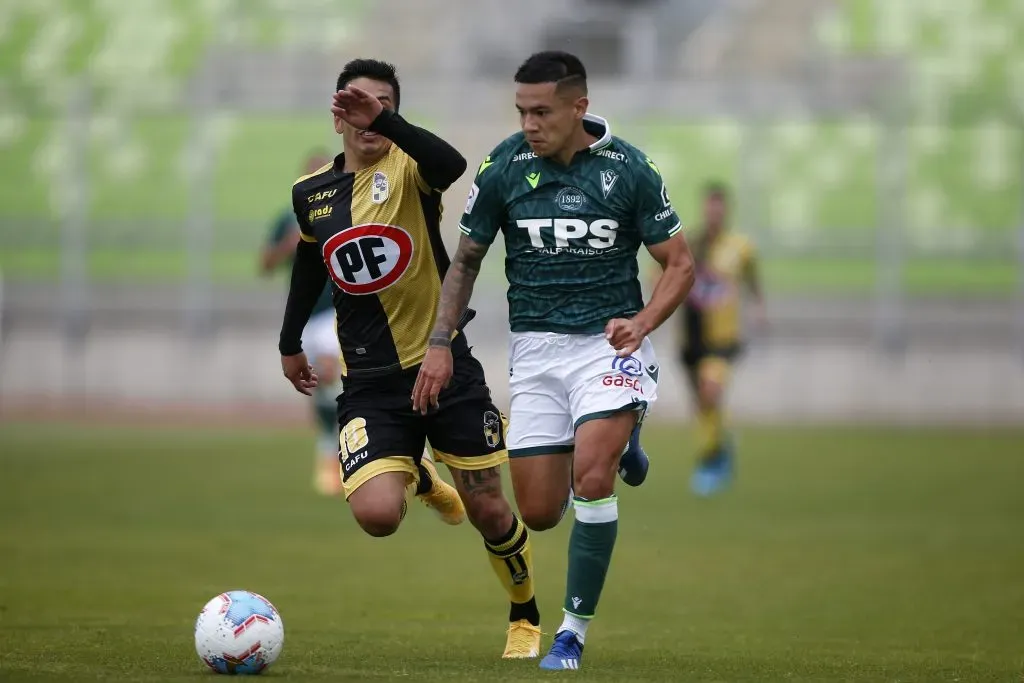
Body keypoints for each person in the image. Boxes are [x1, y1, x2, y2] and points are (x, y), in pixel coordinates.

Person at [413, 51, 695, 671]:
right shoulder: (503, 167)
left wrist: (644, 321)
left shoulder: (630, 169)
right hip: (536, 349)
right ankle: (613, 436)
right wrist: (439, 340)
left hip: (607, 343)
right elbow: (464, 263)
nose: (529, 123)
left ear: (579, 107)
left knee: (592, 480)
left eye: (541, 111)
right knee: (538, 513)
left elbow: (680, 262)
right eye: (521, 111)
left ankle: (572, 631)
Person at [277, 58, 542, 659]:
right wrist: (290, 341)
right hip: (370, 377)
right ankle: (418, 473)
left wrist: (390, 124)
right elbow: (308, 263)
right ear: (337, 112)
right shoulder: (311, 193)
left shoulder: (412, 169)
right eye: (358, 104)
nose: (369, 115)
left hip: (442, 362)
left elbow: (451, 164)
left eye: (383, 105)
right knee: (376, 515)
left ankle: (524, 615)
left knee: (489, 507)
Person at [260, 150, 344, 496]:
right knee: (314, 385)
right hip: (302, 318)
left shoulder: (344, 213)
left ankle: (338, 455)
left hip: (335, 313)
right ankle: (329, 450)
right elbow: (265, 265)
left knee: (327, 374)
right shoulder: (287, 218)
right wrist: (287, 246)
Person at [678, 182, 765, 497]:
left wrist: (759, 306)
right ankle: (721, 446)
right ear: (704, 208)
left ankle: (709, 461)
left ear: (726, 210)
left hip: (724, 337)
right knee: (703, 405)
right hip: (691, 336)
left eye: (719, 206)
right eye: (709, 206)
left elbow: (753, 277)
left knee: (710, 390)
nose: (714, 212)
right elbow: (664, 274)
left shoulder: (740, 247)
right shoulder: (689, 242)